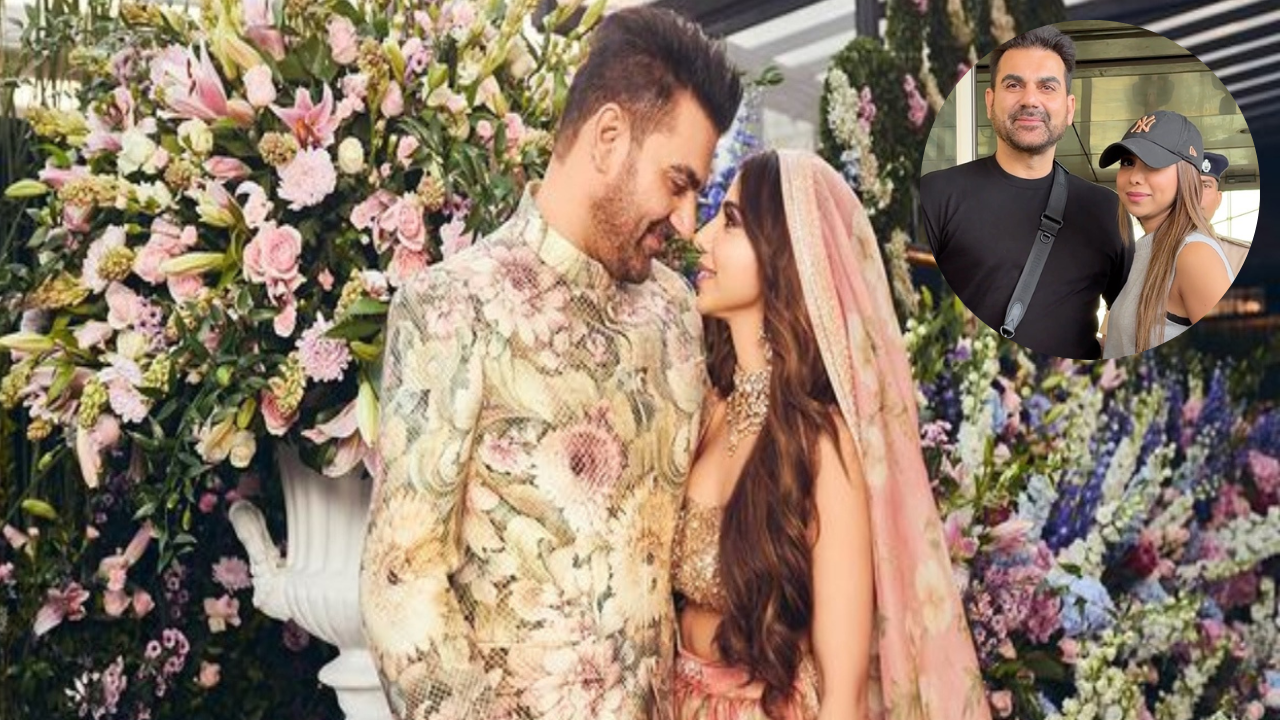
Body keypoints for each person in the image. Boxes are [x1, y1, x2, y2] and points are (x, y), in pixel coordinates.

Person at [359, 7, 742, 720]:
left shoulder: (677, 315)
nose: (688, 221)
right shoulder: (451, 307)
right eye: (678, 182)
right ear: (607, 138)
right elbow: (401, 579)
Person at [675, 149, 991, 720]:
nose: (700, 239)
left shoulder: (820, 443)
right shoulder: (706, 410)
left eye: (730, 222)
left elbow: (843, 695)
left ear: (788, 254)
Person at [920, 25, 1131, 360]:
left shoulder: (1106, 209)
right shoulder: (938, 194)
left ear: (1069, 107)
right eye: (1014, 84)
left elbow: (1130, 320)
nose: (1030, 100)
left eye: (1047, 87)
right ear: (990, 102)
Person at [1101, 110, 1235, 358]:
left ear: (1187, 176)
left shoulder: (1194, 254)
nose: (1134, 178)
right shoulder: (1145, 248)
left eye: (1153, 164)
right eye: (1128, 162)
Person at [1198, 151, 1250, 276]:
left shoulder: (1242, 256)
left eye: (1206, 186)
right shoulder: (1148, 251)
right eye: (1189, 185)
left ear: (1218, 199)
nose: (1196, 194)